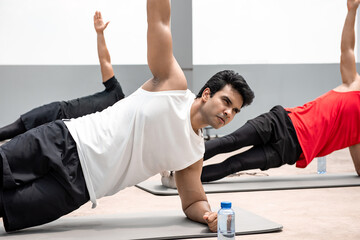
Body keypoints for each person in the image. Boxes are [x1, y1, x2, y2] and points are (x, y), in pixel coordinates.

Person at [0, 0, 254, 233]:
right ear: (207, 94)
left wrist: (208, 215)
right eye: (227, 102)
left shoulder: (193, 154)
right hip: (63, 140)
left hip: (79, 188)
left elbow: (194, 201)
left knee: (6, 207)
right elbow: (159, 21)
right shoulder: (172, 85)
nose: (228, 113)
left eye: (235, 111)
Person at [200, 0, 360, 183]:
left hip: (290, 149)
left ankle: (184, 181)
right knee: (229, 142)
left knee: (235, 164)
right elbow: (347, 49)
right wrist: (352, 11)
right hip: (280, 122)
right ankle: (177, 165)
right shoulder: (354, 84)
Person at [0, 11, 125, 142]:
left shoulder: (118, 122)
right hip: (58, 110)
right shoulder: (116, 93)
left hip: (64, 133)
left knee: (18, 145)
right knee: (18, 127)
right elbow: (105, 61)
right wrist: (100, 34)